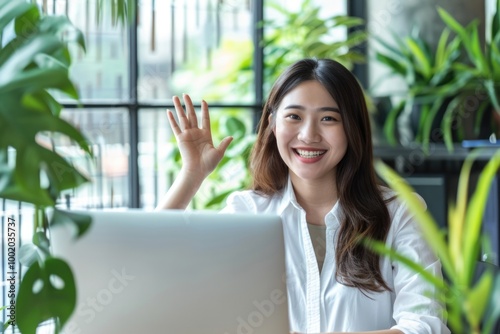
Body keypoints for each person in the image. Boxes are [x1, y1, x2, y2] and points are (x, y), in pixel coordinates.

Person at [156, 58, 450, 334]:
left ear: (352, 128)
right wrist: (191, 176)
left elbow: (425, 325)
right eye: (294, 116)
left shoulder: (398, 213)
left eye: (329, 119)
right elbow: (159, 271)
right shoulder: (248, 212)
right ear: (272, 124)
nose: (309, 135)